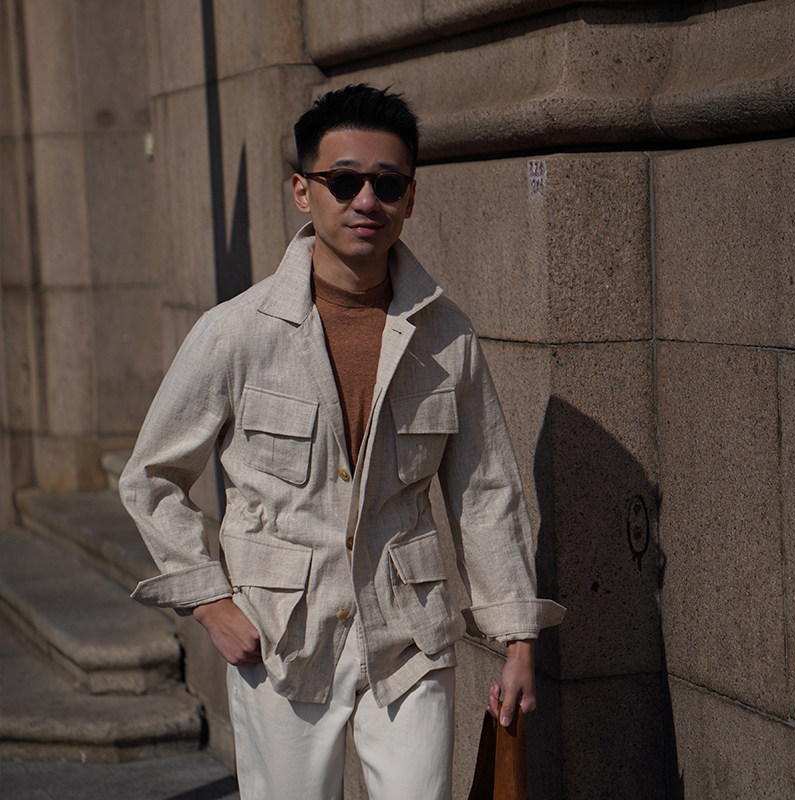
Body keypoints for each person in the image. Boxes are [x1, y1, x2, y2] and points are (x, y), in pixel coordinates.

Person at [120, 83, 565, 800]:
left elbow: (486, 492)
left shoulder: (446, 337)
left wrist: (517, 640)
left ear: (410, 198)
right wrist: (209, 602)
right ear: (303, 191)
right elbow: (151, 477)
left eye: (387, 184)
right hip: (281, 637)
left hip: (409, 636)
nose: (366, 200)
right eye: (344, 181)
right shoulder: (236, 333)